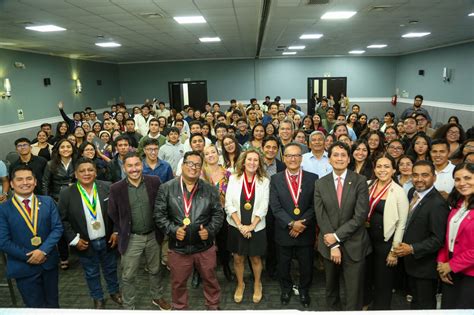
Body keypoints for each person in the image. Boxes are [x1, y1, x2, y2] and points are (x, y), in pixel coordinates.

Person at [154, 151, 224, 310]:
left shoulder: (210, 189)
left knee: (211, 281)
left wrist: (210, 230)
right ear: (183, 165)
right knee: (178, 284)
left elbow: (218, 214)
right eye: (190, 163)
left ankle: (213, 307)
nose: (193, 167)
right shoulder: (166, 188)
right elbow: (159, 215)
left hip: (204, 247)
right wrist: (172, 230)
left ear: (201, 168)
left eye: (197, 165)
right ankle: (180, 309)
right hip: (178, 248)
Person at [108, 152, 171, 310]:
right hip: (131, 238)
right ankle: (129, 305)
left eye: (137, 165)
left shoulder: (154, 181)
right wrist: (122, 229)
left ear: (142, 165)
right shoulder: (116, 188)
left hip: (153, 235)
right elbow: (113, 213)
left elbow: (163, 205)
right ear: (124, 167)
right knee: (128, 275)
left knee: (156, 270)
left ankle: (157, 297)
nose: (134, 169)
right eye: (130, 166)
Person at [314, 141, 372, 311]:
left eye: (343, 155)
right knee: (331, 289)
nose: (339, 158)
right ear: (329, 160)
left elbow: (360, 215)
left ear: (349, 160)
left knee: (353, 292)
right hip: (328, 245)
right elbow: (321, 215)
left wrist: (336, 237)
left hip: (354, 245)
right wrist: (332, 244)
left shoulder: (360, 181)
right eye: (335, 155)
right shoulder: (320, 183)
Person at [58, 158, 122, 309]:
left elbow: (119, 212)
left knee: (111, 268)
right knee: (91, 272)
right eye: (82, 171)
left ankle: (114, 292)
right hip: (84, 242)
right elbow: (63, 219)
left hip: (107, 239)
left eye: (90, 170)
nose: (86, 173)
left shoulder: (108, 187)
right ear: (75, 174)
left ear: (95, 172)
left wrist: (116, 231)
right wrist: (74, 239)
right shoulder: (67, 193)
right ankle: (97, 297)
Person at [0, 165, 63, 308]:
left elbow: (57, 228)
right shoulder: (3, 209)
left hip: (48, 263)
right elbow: (3, 241)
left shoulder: (47, 202)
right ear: (11, 184)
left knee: (53, 305)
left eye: (29, 178)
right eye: (20, 179)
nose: (25, 183)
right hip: (23, 266)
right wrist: (30, 256)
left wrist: (42, 251)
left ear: (35, 182)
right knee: (34, 307)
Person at [393, 160, 449, 310]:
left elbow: (438, 239)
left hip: (425, 267)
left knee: (424, 306)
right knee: (415, 304)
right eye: (415, 175)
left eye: (425, 175)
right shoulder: (413, 193)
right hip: (412, 264)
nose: (419, 179)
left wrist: (411, 248)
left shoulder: (437, 204)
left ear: (434, 177)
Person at [270, 143, 318, 307]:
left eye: (296, 155)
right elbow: (275, 207)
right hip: (284, 231)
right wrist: (291, 223)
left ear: (301, 158)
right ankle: (286, 288)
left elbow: (314, 206)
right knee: (283, 264)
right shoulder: (275, 179)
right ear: (284, 158)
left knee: (306, 264)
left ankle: (304, 290)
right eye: (289, 156)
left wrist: (301, 224)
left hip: (305, 230)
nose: (293, 159)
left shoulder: (313, 178)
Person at [225, 149, 269, 304]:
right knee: (238, 258)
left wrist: (251, 226)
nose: (252, 163)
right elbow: (228, 204)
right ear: (243, 162)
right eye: (249, 159)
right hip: (236, 225)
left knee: (255, 258)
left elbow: (264, 206)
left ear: (259, 163)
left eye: (255, 160)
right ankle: (240, 284)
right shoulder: (234, 178)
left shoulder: (264, 180)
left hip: (256, 226)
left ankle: (257, 283)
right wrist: (240, 226)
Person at [364, 154, 409, 310]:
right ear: (374, 169)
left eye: (386, 166)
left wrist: (394, 251)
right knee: (366, 277)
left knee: (383, 282)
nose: (382, 170)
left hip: (386, 244)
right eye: (379, 166)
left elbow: (402, 224)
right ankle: (365, 306)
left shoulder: (398, 191)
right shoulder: (368, 185)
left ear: (393, 170)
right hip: (366, 240)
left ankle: (380, 310)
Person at [437, 162, 474, 309]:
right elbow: (448, 237)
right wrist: (442, 264)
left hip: (470, 274)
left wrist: (451, 265)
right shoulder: (458, 203)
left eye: (467, 178)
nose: (462, 183)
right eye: (457, 179)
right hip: (450, 270)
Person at [201, 145, 233, 281]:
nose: (210, 155)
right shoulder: (200, 174)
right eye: (207, 153)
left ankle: (226, 266)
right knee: (203, 244)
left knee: (224, 242)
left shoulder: (228, 173)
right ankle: (199, 273)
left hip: (224, 213)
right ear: (204, 157)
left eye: (213, 152)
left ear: (218, 153)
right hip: (204, 215)